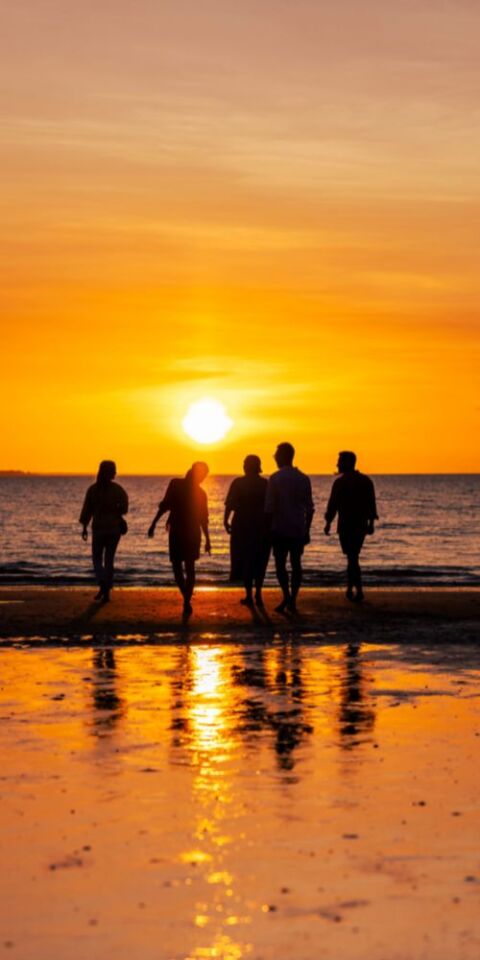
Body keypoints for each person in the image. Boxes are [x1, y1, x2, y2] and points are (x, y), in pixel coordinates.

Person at [148, 462, 211, 615]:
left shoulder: (184, 487)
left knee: (182, 568)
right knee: (186, 568)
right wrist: (154, 524)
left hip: (181, 531)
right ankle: (186, 600)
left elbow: (165, 506)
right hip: (184, 531)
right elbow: (166, 506)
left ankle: (186, 600)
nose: (202, 479)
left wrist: (154, 524)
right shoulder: (188, 488)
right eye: (202, 475)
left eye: (204, 476)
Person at [265, 442, 314, 614]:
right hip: (297, 527)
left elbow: (269, 508)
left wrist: (267, 530)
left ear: (282, 457)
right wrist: (307, 530)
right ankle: (292, 599)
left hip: (279, 528)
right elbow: (310, 508)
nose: (275, 458)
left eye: (276, 455)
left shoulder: (275, 478)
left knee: (280, 565)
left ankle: (287, 596)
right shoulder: (303, 478)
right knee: (296, 564)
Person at [324, 451, 378, 602]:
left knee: (352, 557)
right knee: (352, 557)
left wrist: (328, 522)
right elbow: (371, 504)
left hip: (347, 525)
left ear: (347, 463)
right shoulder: (366, 481)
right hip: (360, 525)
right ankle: (350, 588)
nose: (337, 464)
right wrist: (371, 523)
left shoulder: (340, 483)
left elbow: (332, 504)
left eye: (340, 461)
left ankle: (358, 590)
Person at [224, 455, 271, 608]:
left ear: (248, 466)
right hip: (261, 525)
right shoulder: (265, 483)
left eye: (245, 463)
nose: (243, 466)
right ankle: (257, 593)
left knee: (245, 559)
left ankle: (250, 595)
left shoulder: (238, 483)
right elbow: (271, 507)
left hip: (243, 525)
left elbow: (230, 504)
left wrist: (226, 520)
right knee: (259, 559)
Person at [79, 460, 129, 603]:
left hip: (99, 528)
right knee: (109, 560)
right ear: (111, 473)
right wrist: (117, 510)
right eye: (114, 470)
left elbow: (87, 510)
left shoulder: (93, 490)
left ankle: (102, 582)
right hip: (114, 529)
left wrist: (84, 527)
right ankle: (106, 591)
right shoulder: (118, 490)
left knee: (97, 559)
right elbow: (125, 508)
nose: (116, 473)